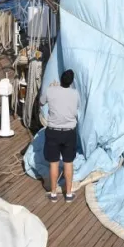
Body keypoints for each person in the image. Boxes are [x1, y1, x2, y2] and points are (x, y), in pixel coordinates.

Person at [40, 70, 80, 202]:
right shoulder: (75, 94)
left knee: (54, 163)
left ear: (60, 79)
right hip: (69, 132)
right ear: (71, 82)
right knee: (68, 162)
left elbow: (41, 102)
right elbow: (77, 107)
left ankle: (53, 194)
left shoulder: (51, 90)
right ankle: (68, 194)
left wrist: (52, 87)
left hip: (53, 131)